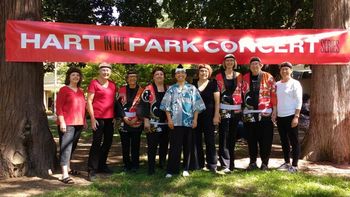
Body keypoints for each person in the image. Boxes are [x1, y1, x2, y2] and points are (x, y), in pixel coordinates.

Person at [160, 64, 206, 178]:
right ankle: (171, 170)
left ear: (185, 75)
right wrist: (169, 120)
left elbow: (197, 106)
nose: (180, 75)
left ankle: (186, 168)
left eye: (182, 73)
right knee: (175, 147)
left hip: (188, 122)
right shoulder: (171, 89)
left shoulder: (192, 88)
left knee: (188, 146)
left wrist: (195, 120)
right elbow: (166, 106)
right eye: (178, 73)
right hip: (175, 122)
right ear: (175, 75)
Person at [242, 57, 277, 171]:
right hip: (249, 114)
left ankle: (265, 164)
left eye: (257, 64)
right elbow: (241, 94)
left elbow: (273, 94)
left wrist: (275, 110)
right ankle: (252, 162)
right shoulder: (245, 77)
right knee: (251, 139)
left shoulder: (268, 77)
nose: (254, 66)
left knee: (266, 140)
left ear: (261, 65)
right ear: (249, 66)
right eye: (252, 64)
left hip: (265, 113)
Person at [87, 62, 117, 180]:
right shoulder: (94, 83)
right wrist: (93, 119)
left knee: (108, 142)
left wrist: (114, 116)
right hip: (98, 118)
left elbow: (112, 102)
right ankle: (91, 170)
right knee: (96, 143)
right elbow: (89, 101)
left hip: (109, 119)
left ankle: (102, 165)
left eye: (108, 70)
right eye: (103, 70)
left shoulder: (113, 85)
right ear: (99, 71)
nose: (106, 72)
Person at [56, 67, 86, 184]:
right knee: (66, 148)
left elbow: (82, 107)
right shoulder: (64, 90)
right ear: (69, 77)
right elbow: (58, 107)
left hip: (79, 123)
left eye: (78, 75)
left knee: (72, 147)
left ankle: (68, 168)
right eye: (73, 75)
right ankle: (64, 174)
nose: (76, 77)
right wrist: (62, 121)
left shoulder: (81, 91)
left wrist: (85, 121)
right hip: (67, 123)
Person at [137, 67, 169, 175]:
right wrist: (146, 120)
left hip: (166, 122)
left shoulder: (168, 89)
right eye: (157, 74)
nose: (159, 76)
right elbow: (144, 105)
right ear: (153, 77)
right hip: (152, 122)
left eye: (161, 74)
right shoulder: (148, 89)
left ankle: (162, 163)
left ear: (164, 76)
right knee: (152, 145)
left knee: (164, 145)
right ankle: (151, 168)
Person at [215, 54, 243, 173]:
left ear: (235, 62)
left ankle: (232, 163)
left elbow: (243, 91)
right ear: (224, 63)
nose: (230, 62)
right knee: (223, 136)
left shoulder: (240, 76)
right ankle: (224, 163)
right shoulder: (219, 76)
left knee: (233, 136)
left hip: (236, 110)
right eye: (227, 60)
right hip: (223, 109)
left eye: (232, 60)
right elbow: (216, 93)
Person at [191, 64, 220, 172]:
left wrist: (216, 115)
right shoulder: (193, 84)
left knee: (210, 140)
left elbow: (217, 102)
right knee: (196, 140)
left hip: (209, 116)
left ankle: (212, 164)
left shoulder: (213, 84)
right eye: (202, 71)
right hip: (195, 116)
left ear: (209, 73)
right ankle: (198, 163)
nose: (204, 73)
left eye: (206, 71)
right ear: (198, 73)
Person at [276, 62, 303, 173]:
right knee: (284, 141)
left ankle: (295, 165)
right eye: (282, 69)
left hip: (291, 116)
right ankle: (287, 163)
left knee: (294, 141)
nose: (284, 71)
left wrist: (296, 116)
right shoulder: (277, 84)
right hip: (280, 116)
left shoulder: (295, 83)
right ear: (280, 71)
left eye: (287, 69)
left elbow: (299, 101)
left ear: (291, 70)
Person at [116, 70, 144, 172]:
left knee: (136, 144)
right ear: (127, 79)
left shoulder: (142, 91)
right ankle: (126, 164)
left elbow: (143, 106)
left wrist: (137, 118)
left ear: (137, 78)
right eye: (130, 77)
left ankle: (135, 165)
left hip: (137, 121)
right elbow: (117, 105)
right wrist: (124, 117)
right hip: (124, 121)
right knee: (125, 144)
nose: (132, 79)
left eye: (134, 76)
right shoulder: (121, 90)